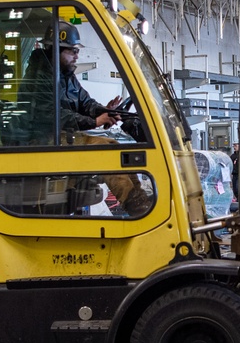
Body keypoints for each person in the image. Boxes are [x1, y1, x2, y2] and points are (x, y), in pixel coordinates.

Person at [25, 22, 151, 216]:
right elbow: (51, 114)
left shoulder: (67, 76)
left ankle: (141, 202)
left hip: (63, 136)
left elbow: (86, 102)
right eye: (72, 51)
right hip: (43, 139)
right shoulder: (39, 78)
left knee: (116, 147)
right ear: (56, 50)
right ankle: (136, 208)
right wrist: (94, 122)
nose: (77, 55)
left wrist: (105, 111)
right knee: (104, 149)